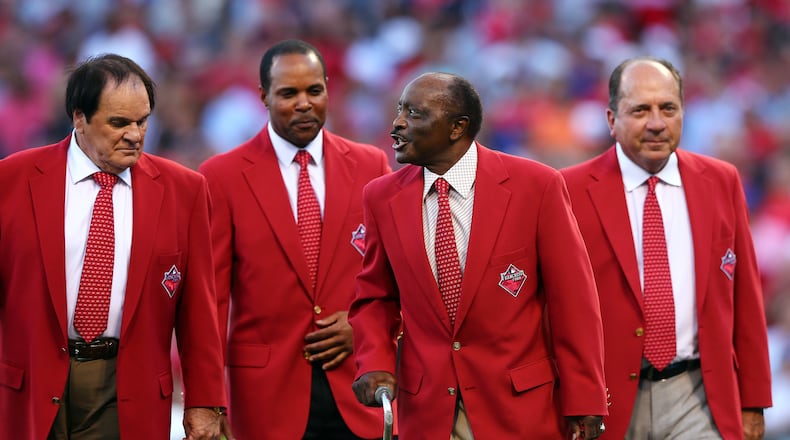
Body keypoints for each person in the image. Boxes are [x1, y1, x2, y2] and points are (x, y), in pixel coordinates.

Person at [348, 71, 608, 439]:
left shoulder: (537, 186)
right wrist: (372, 362)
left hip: (519, 409)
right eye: (399, 110)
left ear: (458, 127)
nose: (397, 124)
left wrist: (586, 399)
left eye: (415, 114)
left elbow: (574, 303)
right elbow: (375, 297)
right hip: (428, 412)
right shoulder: (380, 196)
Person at [0, 54, 227, 439]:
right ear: (79, 118)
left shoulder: (184, 191)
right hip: (30, 386)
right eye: (119, 123)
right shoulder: (11, 180)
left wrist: (205, 401)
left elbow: (199, 312)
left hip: (127, 390)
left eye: (142, 122)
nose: (135, 135)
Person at [561, 56, 773, 440]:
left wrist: (753, 400)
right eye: (640, 109)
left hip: (699, 393)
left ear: (683, 113)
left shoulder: (722, 180)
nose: (656, 123)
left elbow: (746, 298)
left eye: (668, 109)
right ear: (612, 120)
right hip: (607, 401)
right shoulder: (568, 190)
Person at [198, 39, 393, 439]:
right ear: (263, 97)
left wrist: (363, 327)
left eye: (314, 91)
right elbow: (211, 301)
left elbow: (397, 276)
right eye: (288, 93)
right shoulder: (222, 177)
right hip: (265, 401)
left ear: (327, 89)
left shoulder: (371, 165)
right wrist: (208, 398)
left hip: (358, 389)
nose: (303, 103)